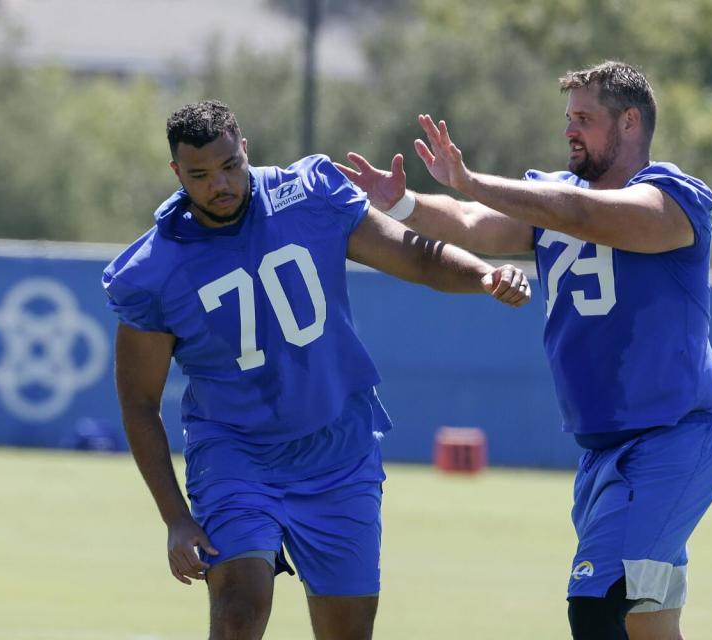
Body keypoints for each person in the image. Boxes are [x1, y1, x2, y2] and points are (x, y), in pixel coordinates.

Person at [102, 99, 531, 640]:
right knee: (239, 608)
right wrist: (174, 516)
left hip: (337, 448)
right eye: (201, 176)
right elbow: (139, 401)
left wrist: (484, 276)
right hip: (236, 454)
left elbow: (413, 254)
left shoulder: (309, 194)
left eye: (230, 165)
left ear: (246, 150)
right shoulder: (152, 269)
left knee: (347, 631)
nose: (221, 185)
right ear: (176, 174)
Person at [336, 61, 712, 640]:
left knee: (595, 608)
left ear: (628, 122)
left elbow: (579, 214)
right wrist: (403, 206)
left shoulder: (673, 199)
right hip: (602, 450)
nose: (570, 131)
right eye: (568, 118)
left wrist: (469, 177)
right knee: (648, 625)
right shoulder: (555, 195)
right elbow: (474, 222)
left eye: (584, 119)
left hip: (672, 440)